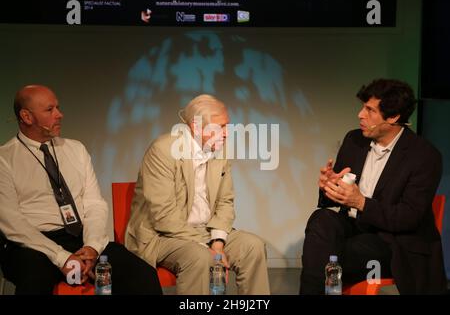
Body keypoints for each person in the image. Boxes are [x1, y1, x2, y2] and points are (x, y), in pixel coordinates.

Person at [0, 85, 162, 295]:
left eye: (58, 107)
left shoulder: (76, 149)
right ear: (26, 117)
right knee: (34, 282)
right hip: (31, 244)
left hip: (78, 237)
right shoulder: (5, 159)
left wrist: (92, 247)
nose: (60, 114)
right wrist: (62, 258)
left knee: (142, 274)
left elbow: (94, 204)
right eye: (50, 110)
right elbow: (13, 223)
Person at [299, 79, 447, 295]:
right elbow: (341, 197)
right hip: (353, 228)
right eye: (363, 107)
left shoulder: (424, 156)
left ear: (394, 117)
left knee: (324, 254)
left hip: (391, 242)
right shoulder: (354, 140)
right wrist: (329, 187)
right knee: (321, 219)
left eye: (370, 110)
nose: (360, 115)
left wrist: (361, 202)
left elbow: (408, 217)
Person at [125, 94, 271, 295]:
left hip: (205, 231)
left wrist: (218, 243)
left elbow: (225, 201)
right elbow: (164, 216)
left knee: (252, 247)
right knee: (199, 256)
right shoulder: (163, 150)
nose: (227, 133)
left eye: (227, 126)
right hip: (160, 236)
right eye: (221, 127)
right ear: (196, 126)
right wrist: (207, 248)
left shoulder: (220, 150)